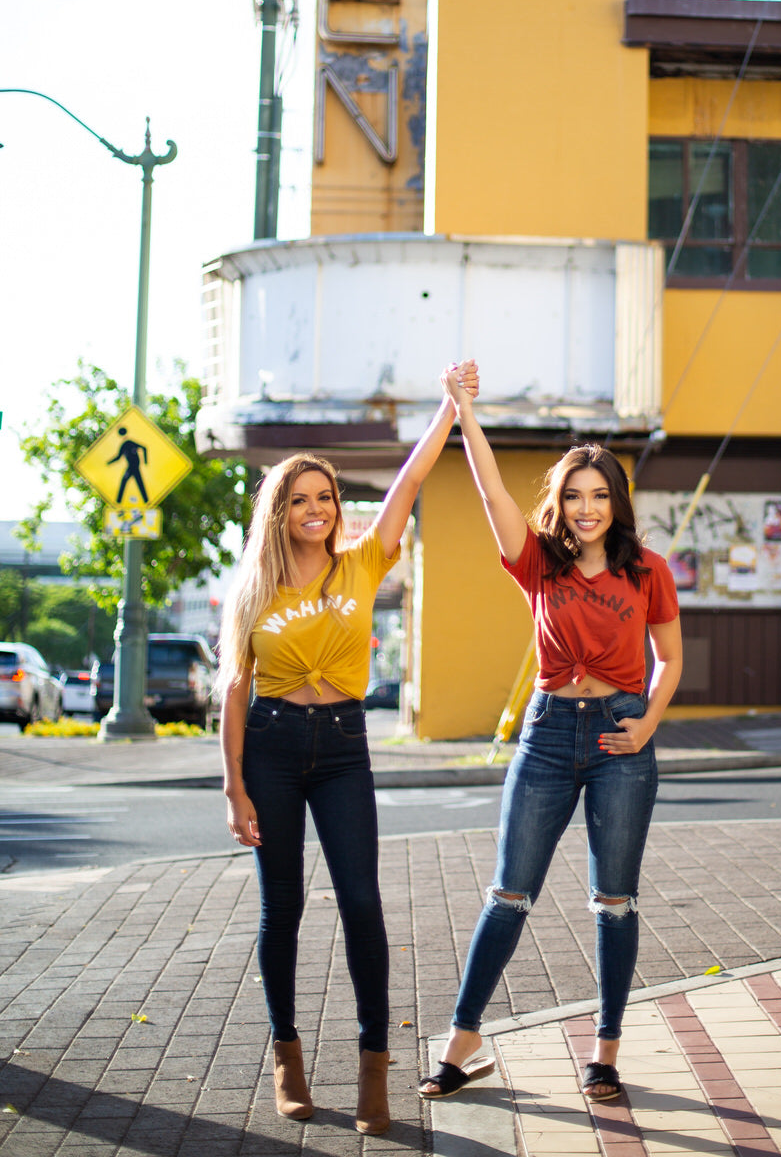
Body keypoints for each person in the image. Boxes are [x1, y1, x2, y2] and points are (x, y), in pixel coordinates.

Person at [217, 362, 477, 1136]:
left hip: (341, 747)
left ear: (337, 507)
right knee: (283, 908)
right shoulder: (254, 587)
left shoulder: (363, 562)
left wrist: (448, 411)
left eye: (324, 498)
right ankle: (287, 1060)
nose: (313, 509)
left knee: (361, 903)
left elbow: (406, 484)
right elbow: (236, 687)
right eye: (298, 499)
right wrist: (232, 786)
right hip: (267, 744)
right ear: (278, 511)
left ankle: (373, 1071)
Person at [420, 369, 682, 1105]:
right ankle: (463, 1044)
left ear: (616, 502)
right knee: (508, 894)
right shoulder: (538, 562)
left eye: (599, 494)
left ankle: (604, 1052)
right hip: (544, 737)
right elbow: (490, 494)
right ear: (559, 503)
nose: (587, 507)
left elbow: (672, 659)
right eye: (574, 494)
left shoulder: (647, 571)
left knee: (614, 902)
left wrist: (647, 725)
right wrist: (464, 413)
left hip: (618, 739)